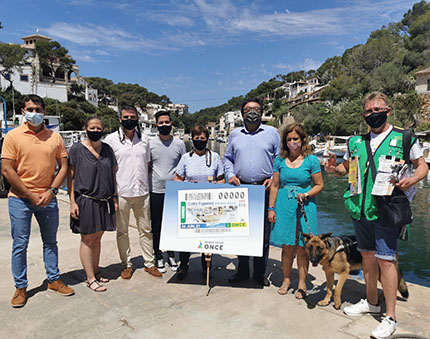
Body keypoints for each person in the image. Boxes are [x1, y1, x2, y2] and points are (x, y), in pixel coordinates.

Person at [324, 91, 428, 339]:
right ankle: (371, 302)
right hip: (359, 209)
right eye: (369, 111)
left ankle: (390, 317)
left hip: (387, 209)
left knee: (387, 261)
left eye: (377, 109)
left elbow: (422, 166)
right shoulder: (355, 142)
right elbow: (346, 168)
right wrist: (332, 170)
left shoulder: (403, 137)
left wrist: (412, 179)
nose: (373, 114)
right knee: (367, 257)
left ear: (387, 110)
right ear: (364, 115)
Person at [1, 94, 74, 307]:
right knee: (20, 244)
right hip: (20, 200)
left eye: (38, 109)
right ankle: (20, 287)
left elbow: (64, 167)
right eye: (30, 109)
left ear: (44, 111)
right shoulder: (13, 137)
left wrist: (51, 192)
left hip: (48, 199)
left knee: (51, 242)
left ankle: (53, 279)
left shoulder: (55, 137)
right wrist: (31, 194)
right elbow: (7, 169)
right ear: (23, 112)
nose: (34, 113)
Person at [224, 98, 280, 287]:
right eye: (248, 109)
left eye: (256, 109)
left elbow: (280, 159)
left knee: (263, 234)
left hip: (263, 189)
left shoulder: (272, 133)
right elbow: (228, 158)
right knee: (240, 232)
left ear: (262, 113)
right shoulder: (234, 134)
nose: (252, 112)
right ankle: (242, 271)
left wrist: (274, 177)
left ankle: (259, 273)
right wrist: (230, 175)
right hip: (240, 189)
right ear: (242, 114)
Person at [104, 105, 162, 280]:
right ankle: (126, 264)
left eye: (132, 117)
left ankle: (149, 263)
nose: (129, 119)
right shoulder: (111, 140)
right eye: (126, 117)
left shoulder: (144, 139)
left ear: (137, 118)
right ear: (120, 119)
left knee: (146, 229)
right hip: (121, 192)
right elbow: (108, 167)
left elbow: (147, 164)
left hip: (142, 192)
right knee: (122, 231)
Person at [268, 123, 323, 298]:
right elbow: (275, 186)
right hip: (284, 204)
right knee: (287, 247)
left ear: (302, 140)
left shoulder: (311, 160)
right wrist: (271, 208)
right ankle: (286, 279)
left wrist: (306, 194)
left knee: (302, 247)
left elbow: (319, 185)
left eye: (296, 139)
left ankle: (301, 282)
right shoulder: (279, 161)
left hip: (305, 205)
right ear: (285, 142)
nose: (293, 142)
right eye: (289, 139)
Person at [68, 116, 118, 292]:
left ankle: (96, 271)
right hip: (85, 200)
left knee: (98, 237)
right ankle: (90, 278)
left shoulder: (107, 150)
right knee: (88, 238)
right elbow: (71, 177)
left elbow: (113, 173)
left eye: (99, 128)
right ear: (85, 129)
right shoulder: (76, 149)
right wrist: (72, 202)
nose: (96, 131)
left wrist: (114, 197)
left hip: (104, 200)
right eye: (92, 128)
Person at [174, 125, 225, 280]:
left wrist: (215, 185)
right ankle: (183, 265)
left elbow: (221, 180)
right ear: (192, 139)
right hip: (189, 205)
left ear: (207, 139)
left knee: (206, 237)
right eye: (196, 139)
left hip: (209, 206)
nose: (199, 141)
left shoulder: (215, 157)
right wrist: (188, 184)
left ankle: (206, 266)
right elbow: (177, 178)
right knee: (187, 236)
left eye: (202, 138)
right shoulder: (185, 158)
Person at [149, 110, 186, 273]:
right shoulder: (150, 144)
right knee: (156, 226)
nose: (164, 125)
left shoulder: (179, 144)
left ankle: (171, 254)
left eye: (167, 122)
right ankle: (158, 255)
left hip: (174, 191)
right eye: (161, 123)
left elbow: (184, 167)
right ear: (156, 124)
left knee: (172, 225)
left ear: (171, 123)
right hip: (155, 190)